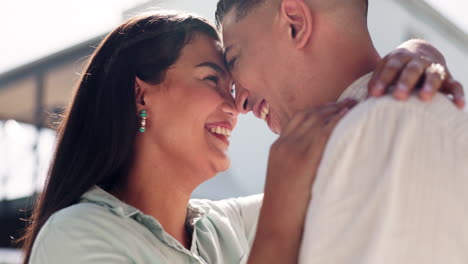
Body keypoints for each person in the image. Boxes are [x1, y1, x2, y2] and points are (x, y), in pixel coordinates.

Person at [21, 10, 461, 264]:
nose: (236, 106)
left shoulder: (223, 227)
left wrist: (413, 55)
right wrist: (281, 204)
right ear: (142, 94)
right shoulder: (74, 237)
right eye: (213, 77)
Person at [216, 0, 468, 263]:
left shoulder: (386, 134)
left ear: (295, 24)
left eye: (234, 59)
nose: (239, 104)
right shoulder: (366, 140)